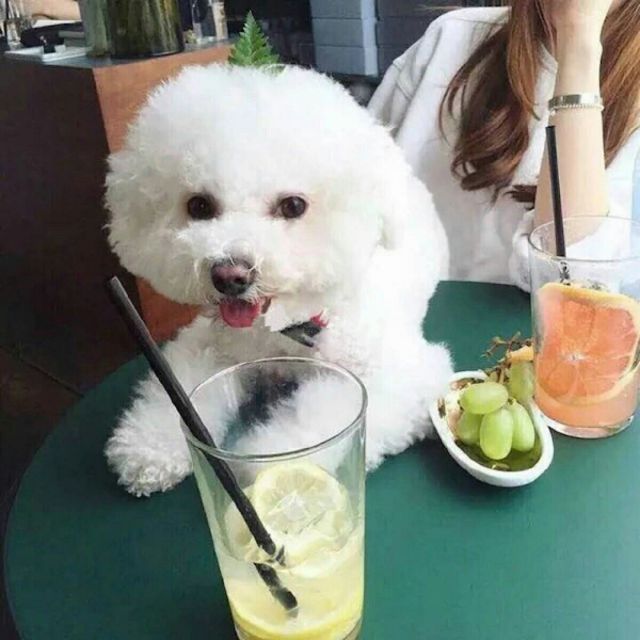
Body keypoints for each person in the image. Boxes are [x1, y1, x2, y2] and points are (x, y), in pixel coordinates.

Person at [369, 1, 640, 288]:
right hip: (393, 310)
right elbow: (348, 198)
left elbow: (573, 286)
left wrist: (578, 42)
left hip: (534, 318)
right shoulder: (450, 38)